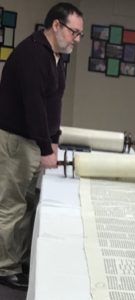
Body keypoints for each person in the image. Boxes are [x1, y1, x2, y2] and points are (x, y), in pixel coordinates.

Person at [0, 2, 84, 290]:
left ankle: (18, 260)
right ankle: (4, 266)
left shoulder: (57, 56)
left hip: (33, 142)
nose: (77, 39)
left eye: (80, 35)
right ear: (57, 26)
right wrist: (46, 148)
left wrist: (55, 139)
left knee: (28, 203)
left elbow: (54, 103)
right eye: (74, 32)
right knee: (11, 205)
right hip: (16, 140)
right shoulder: (33, 54)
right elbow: (34, 106)